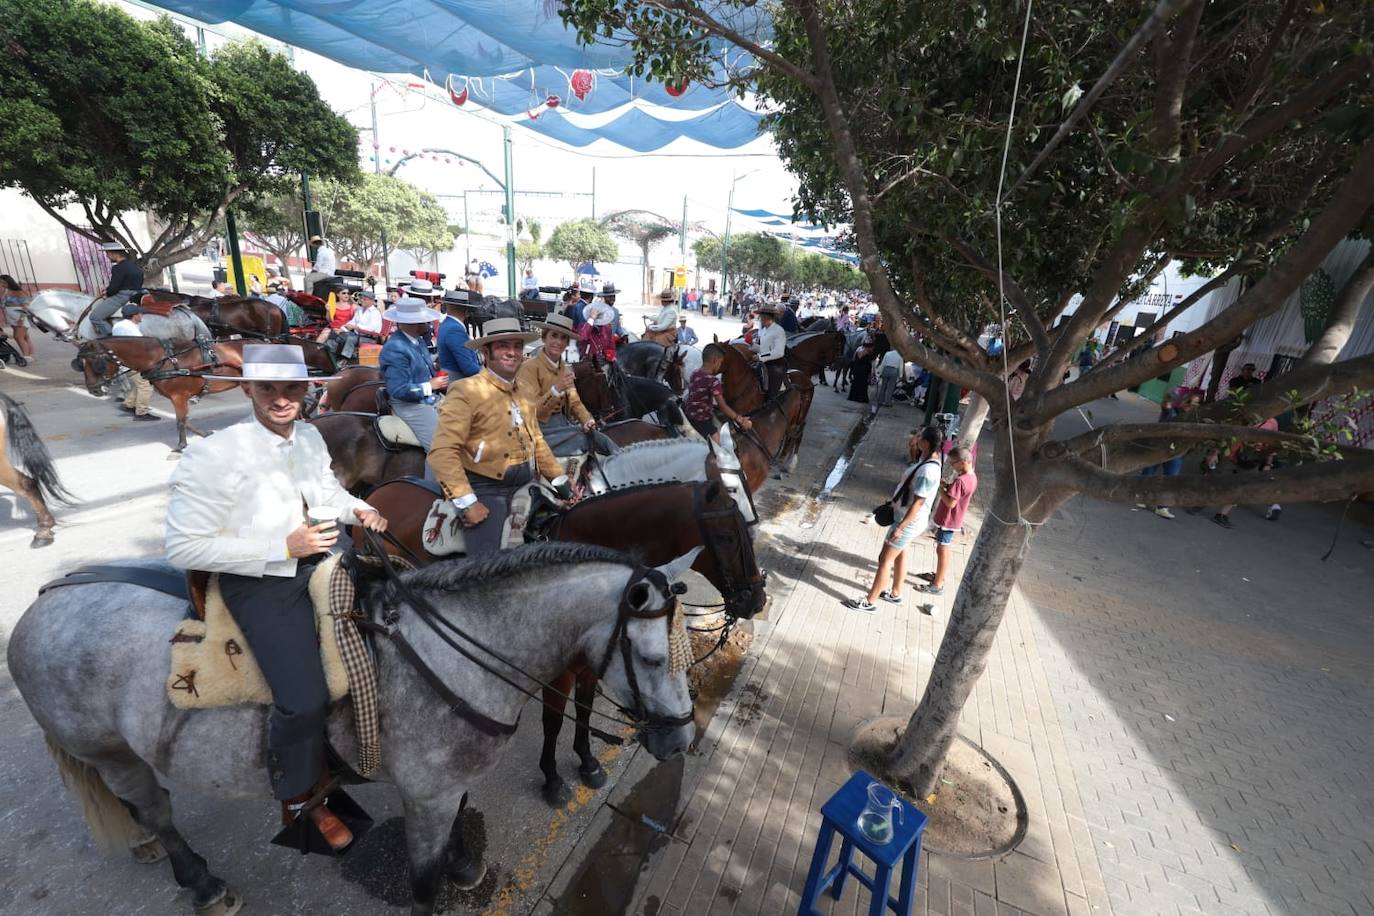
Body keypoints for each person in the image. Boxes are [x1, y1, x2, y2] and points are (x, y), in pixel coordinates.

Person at [165, 343, 387, 852]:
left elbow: (329, 497)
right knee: (303, 698)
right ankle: (299, 796)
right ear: (248, 389)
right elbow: (181, 545)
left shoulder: (308, 435)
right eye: (269, 388)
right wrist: (280, 547)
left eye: (292, 388)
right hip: (260, 578)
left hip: (323, 555)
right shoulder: (214, 452)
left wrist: (361, 512)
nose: (282, 399)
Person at [429, 318, 571, 556]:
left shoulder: (525, 390)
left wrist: (560, 481)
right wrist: (468, 502)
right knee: (488, 569)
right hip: (485, 489)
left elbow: (536, 440)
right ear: (486, 352)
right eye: (503, 346)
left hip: (526, 484)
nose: (512, 352)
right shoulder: (465, 391)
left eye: (517, 346)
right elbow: (443, 452)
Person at [844, 428, 943, 611]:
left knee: (885, 560)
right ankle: (895, 593)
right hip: (905, 517)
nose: (916, 438)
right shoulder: (928, 462)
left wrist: (901, 527)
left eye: (920, 436)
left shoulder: (928, 470)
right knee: (901, 553)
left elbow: (918, 503)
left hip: (907, 522)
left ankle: (870, 602)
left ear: (927, 443)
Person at [378, 296, 447, 462]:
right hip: (410, 405)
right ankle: (433, 487)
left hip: (430, 398)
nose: (428, 324)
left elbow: (422, 367)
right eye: (425, 321)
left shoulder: (416, 341)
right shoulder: (395, 348)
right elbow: (398, 389)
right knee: (442, 450)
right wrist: (430, 385)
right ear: (415, 324)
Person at [518, 312, 596, 431]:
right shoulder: (529, 368)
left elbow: (574, 402)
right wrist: (555, 390)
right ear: (544, 338)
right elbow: (531, 411)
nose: (558, 342)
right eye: (554, 336)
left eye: (563, 338)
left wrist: (587, 420)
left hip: (563, 424)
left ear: (567, 343)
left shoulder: (566, 368)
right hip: (539, 429)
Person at [917, 446, 977, 596]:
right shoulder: (971, 477)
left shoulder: (961, 481)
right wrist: (947, 486)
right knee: (941, 547)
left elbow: (951, 503)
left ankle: (937, 584)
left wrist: (939, 489)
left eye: (953, 463)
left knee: (942, 549)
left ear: (963, 462)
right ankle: (938, 575)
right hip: (954, 520)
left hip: (948, 520)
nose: (952, 466)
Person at [1134, 392, 1194, 519]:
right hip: (1159, 448)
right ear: (1183, 401)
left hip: (1176, 452)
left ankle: (1163, 506)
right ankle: (1141, 496)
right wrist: (1168, 398)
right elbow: (1166, 406)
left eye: (1194, 404)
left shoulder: (1194, 419)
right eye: (1188, 402)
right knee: (1148, 472)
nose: (1190, 406)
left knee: (1171, 478)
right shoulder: (1171, 412)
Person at [684, 345, 753, 446]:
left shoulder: (695, 373)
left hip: (690, 414)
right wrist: (741, 420)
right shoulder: (713, 381)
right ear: (715, 360)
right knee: (721, 443)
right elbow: (723, 406)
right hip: (702, 420)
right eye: (720, 362)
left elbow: (698, 397)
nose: (720, 365)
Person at [111, 307, 159, 422]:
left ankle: (129, 405)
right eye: (140, 314)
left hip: (124, 359)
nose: (142, 316)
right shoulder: (130, 328)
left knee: (140, 384)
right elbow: (142, 345)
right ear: (135, 315)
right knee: (146, 386)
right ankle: (141, 412)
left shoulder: (118, 325)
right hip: (133, 361)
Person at [90, 241, 144, 337]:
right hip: (138, 294)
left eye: (108, 254)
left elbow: (113, 289)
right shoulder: (135, 266)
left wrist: (107, 292)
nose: (107, 256)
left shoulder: (118, 268)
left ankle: (112, 340)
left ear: (113, 254)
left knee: (95, 317)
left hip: (122, 297)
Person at [436, 291, 482, 380]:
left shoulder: (446, 324)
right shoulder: (455, 329)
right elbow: (469, 368)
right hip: (458, 383)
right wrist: (487, 374)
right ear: (466, 310)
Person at [752, 304, 788, 398]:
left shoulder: (778, 331)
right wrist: (752, 345)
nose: (760, 319)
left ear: (766, 317)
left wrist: (761, 357)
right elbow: (764, 348)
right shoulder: (764, 330)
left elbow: (779, 352)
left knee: (771, 394)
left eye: (761, 317)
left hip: (774, 364)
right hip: (761, 362)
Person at [0, 275, 35, 362]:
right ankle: (30, 355)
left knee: (18, 336)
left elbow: (25, 306)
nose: (1, 283)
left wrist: (21, 319)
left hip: (19, 316)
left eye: (2, 282)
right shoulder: (5, 291)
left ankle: (26, 356)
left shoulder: (18, 291)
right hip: (12, 318)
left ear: (7, 281)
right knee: (25, 336)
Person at [304, 234, 337, 299]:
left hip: (325, 273)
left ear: (315, 244)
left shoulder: (321, 252)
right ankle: (308, 295)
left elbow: (317, 267)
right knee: (308, 277)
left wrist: (311, 272)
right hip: (330, 272)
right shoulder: (328, 250)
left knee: (307, 279)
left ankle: (308, 297)